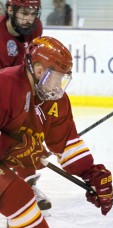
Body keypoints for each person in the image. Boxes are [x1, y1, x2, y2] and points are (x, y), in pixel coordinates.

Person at [0, 36, 113, 228]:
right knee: (13, 192)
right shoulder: (6, 84)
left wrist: (91, 173)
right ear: (39, 70)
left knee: (17, 195)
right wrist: (11, 145)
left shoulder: (57, 101)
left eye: (64, 78)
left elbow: (67, 143)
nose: (60, 85)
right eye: (57, 76)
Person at [0, 0, 52, 212]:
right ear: (10, 10)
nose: (30, 19)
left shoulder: (36, 27)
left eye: (33, 13)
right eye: (24, 13)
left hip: (21, 91)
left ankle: (28, 186)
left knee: (30, 135)